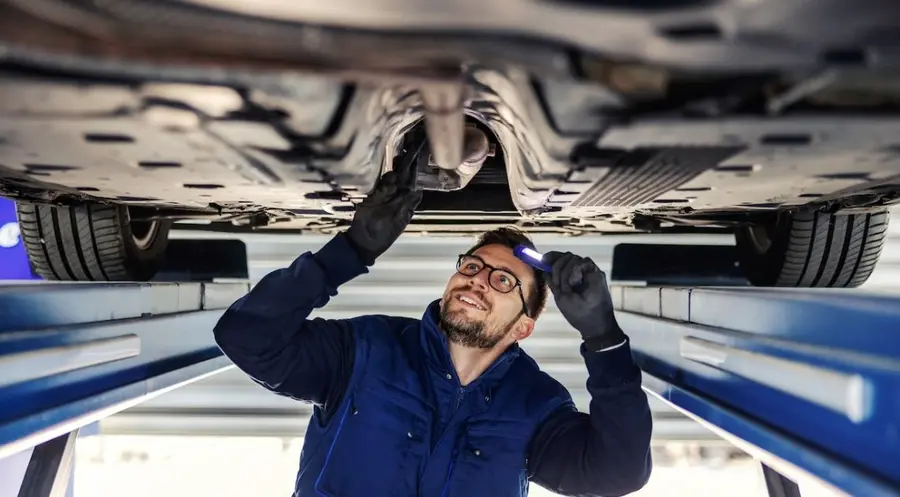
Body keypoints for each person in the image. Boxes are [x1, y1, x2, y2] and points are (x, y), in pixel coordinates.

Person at [213, 170, 653, 497]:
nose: (478, 279)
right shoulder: (365, 353)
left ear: (524, 327)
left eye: (503, 281)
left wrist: (603, 337)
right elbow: (246, 336)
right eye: (472, 266)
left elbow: (619, 471)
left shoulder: (535, 405)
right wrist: (349, 251)